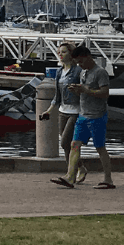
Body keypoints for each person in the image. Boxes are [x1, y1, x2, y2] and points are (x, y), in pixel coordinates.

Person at [51, 45, 115, 189]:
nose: (79, 65)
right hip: (83, 115)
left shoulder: (100, 72)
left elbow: (105, 93)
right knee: (74, 144)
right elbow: (85, 92)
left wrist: (86, 90)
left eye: (81, 62)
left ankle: (108, 179)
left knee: (100, 147)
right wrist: (77, 91)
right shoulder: (83, 72)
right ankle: (70, 176)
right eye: (78, 63)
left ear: (87, 57)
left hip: (97, 115)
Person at [38, 42, 87, 184]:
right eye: (59, 52)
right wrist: (48, 111)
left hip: (76, 112)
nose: (60, 54)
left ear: (71, 54)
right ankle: (79, 169)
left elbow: (86, 89)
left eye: (64, 52)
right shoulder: (59, 72)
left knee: (66, 142)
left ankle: (69, 175)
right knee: (66, 145)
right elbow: (57, 96)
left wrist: (79, 89)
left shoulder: (78, 71)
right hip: (62, 111)